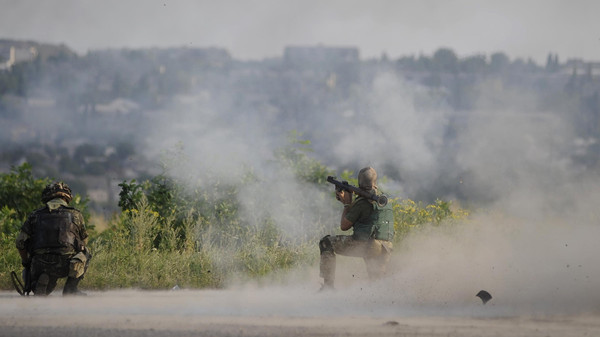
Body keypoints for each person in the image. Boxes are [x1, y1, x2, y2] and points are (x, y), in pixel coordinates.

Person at [319, 167, 394, 290]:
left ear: (360, 182)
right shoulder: (385, 201)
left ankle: (328, 287)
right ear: (375, 182)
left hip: (366, 245)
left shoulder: (362, 202)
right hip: (386, 247)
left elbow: (344, 226)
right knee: (376, 284)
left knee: (326, 242)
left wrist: (347, 204)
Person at [15, 181, 91, 296]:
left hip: (39, 264)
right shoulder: (76, 214)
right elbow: (84, 240)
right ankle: (70, 289)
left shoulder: (35, 215)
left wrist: (26, 262)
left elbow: (20, 242)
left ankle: (38, 282)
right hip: (66, 265)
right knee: (86, 252)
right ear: (67, 197)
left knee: (41, 289)